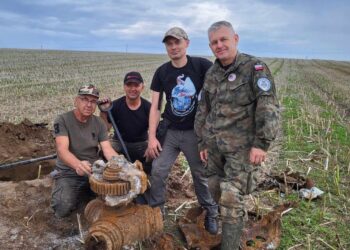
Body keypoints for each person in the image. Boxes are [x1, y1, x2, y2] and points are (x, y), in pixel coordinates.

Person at [194, 21, 279, 249]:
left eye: (223, 39)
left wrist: (261, 143)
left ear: (236, 39)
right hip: (215, 147)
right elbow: (204, 108)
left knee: (231, 197)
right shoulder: (211, 73)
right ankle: (232, 223)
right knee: (214, 187)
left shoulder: (255, 68)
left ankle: (230, 245)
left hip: (241, 149)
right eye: (214, 42)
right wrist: (202, 141)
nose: (219, 45)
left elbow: (268, 106)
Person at [146, 27, 218, 234]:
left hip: (194, 133)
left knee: (200, 173)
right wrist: (152, 137)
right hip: (170, 131)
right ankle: (156, 210)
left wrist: (210, 133)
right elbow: (155, 107)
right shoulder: (162, 72)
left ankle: (210, 211)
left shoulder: (202, 66)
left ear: (187, 43)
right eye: (169, 43)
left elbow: (216, 96)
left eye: (177, 42)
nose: (173, 47)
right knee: (158, 170)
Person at [51, 84, 118, 218]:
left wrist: (122, 165)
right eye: (84, 99)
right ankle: (64, 188)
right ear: (76, 101)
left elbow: (107, 150)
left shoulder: (99, 123)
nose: (89, 104)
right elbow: (62, 150)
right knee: (62, 208)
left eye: (93, 101)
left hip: (94, 171)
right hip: (68, 171)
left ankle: (86, 194)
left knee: (114, 199)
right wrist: (78, 164)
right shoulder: (63, 120)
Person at [99, 71, 152, 174]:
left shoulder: (148, 107)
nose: (133, 89)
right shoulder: (114, 106)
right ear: (124, 87)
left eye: (136, 85)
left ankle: (146, 178)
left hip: (141, 144)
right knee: (102, 152)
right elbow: (106, 129)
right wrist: (103, 112)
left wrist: (150, 146)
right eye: (129, 85)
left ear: (142, 87)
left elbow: (155, 131)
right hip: (119, 142)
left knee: (154, 155)